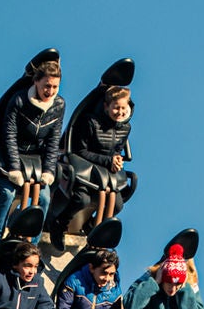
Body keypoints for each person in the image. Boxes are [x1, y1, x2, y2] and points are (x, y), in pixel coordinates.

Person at [47, 84, 137, 250]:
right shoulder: (90, 122)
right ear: (106, 106)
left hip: (105, 174)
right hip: (85, 170)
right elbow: (80, 150)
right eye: (116, 108)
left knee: (117, 204)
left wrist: (116, 160)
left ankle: (93, 225)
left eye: (123, 108)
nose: (120, 112)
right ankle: (60, 223)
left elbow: (117, 149)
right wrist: (107, 161)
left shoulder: (125, 128)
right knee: (82, 199)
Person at [0, 53, 65, 242]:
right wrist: (14, 168)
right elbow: (9, 135)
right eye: (46, 86)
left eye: (55, 87)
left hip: (35, 158)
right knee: (8, 192)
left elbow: (53, 141)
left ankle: (33, 243)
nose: (50, 91)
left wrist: (48, 170)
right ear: (36, 83)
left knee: (44, 198)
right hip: (11, 153)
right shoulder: (19, 100)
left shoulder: (59, 105)